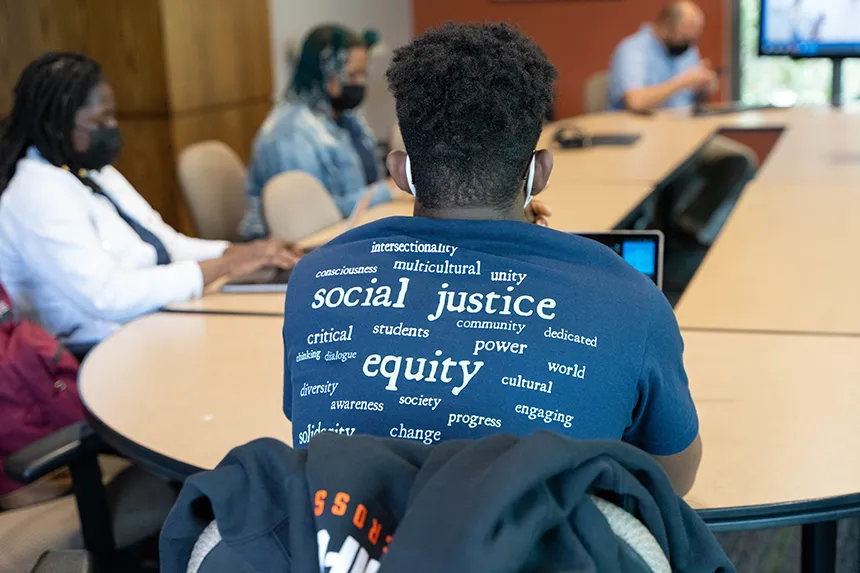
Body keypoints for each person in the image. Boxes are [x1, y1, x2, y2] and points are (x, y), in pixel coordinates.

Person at [282, 23, 702, 494]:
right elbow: (673, 480)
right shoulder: (630, 300)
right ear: (539, 173)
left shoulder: (314, 281)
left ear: (400, 171)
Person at [0, 53, 300, 347]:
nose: (112, 128)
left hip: (147, 324)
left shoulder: (91, 171)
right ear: (56, 125)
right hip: (94, 351)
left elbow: (166, 245)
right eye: (99, 121)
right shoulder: (36, 192)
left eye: (112, 116)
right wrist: (223, 267)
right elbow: (108, 296)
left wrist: (245, 252)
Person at [607, 0, 758, 245]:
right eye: (684, 36)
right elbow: (636, 101)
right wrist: (683, 81)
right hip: (641, 141)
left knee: (738, 160)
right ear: (666, 26)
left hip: (684, 135)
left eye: (693, 37)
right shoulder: (633, 49)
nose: (689, 44)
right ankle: (651, 234)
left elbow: (689, 98)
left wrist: (704, 86)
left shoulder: (686, 50)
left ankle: (688, 227)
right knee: (675, 170)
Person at [240, 25, 397, 240]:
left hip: (351, 230)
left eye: (363, 74)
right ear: (326, 74)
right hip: (299, 249)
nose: (361, 83)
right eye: (352, 75)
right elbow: (312, 217)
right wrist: (386, 191)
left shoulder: (344, 117)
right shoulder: (290, 135)